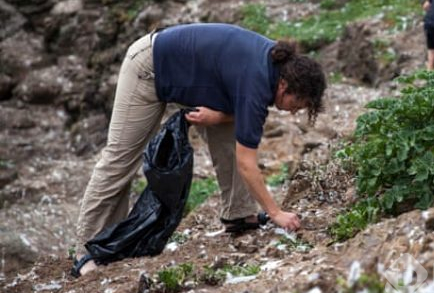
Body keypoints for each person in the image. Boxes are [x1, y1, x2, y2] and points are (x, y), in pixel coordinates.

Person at [73, 23, 326, 276]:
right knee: (121, 160)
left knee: (230, 136)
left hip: (195, 76)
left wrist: (217, 117)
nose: (295, 111)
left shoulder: (274, 66)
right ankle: (87, 250)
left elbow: (237, 102)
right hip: (150, 66)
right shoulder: (257, 83)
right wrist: (275, 213)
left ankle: (239, 215)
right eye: (298, 104)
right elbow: (246, 163)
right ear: (284, 86)